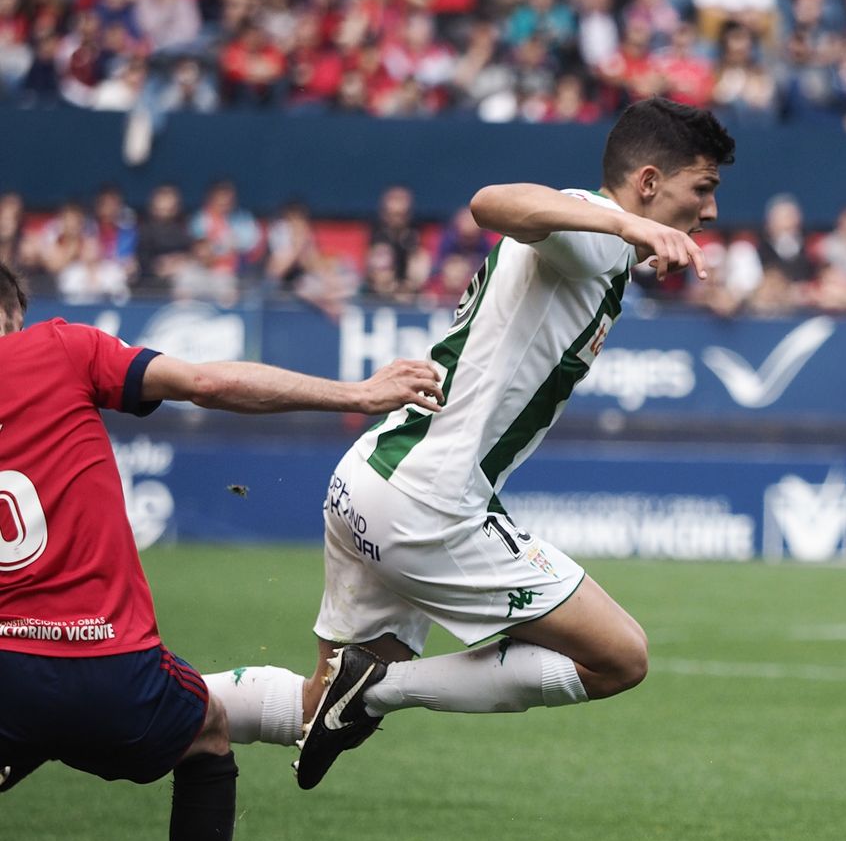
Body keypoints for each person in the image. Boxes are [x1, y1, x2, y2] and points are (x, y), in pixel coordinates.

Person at [240, 97, 734, 791]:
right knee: (621, 657)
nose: (709, 211)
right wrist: (623, 222)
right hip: (428, 505)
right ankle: (375, 689)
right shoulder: (592, 229)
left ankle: (160, 708)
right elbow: (492, 202)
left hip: (371, 480)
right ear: (649, 183)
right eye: (702, 189)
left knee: (313, 706)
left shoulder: (603, 246)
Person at [0, 261, 442, 841]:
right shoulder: (59, 347)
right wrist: (358, 394)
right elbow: (207, 384)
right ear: (13, 315)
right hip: (107, 667)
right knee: (205, 731)